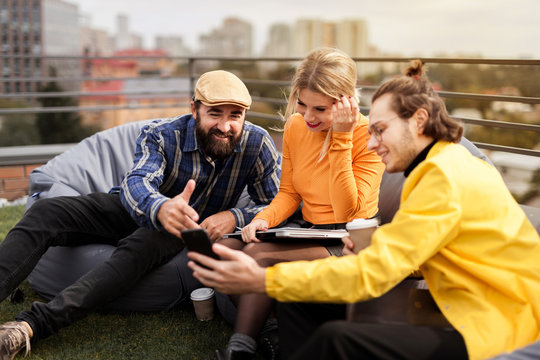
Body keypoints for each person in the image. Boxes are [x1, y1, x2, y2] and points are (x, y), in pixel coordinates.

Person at [188, 61, 540, 360]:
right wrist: (378, 242)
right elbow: (429, 246)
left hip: (496, 322)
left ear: (419, 121)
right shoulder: (435, 166)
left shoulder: (443, 176)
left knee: (336, 338)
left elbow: (376, 272)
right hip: (454, 304)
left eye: (380, 131)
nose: (372, 143)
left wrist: (265, 280)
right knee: (299, 301)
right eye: (371, 132)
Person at [0, 70, 281, 359]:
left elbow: (276, 203)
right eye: (215, 113)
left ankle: (29, 326)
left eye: (235, 115)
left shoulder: (257, 145)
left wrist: (234, 216)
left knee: (140, 248)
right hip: (139, 207)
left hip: (183, 231)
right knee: (47, 210)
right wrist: (161, 207)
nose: (225, 125)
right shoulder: (161, 134)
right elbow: (137, 181)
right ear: (194, 109)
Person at [214, 48, 385, 359]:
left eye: (319, 108)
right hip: (311, 230)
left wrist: (341, 139)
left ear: (346, 100)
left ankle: (240, 350)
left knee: (257, 255)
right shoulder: (296, 127)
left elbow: (348, 210)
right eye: (302, 104)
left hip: (350, 240)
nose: (308, 116)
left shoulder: (369, 136)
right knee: (225, 251)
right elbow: (290, 193)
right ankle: (274, 332)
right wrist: (262, 220)